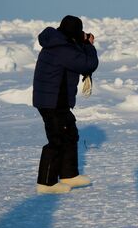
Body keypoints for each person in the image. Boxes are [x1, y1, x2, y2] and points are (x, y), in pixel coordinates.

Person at [32, 15, 99, 194]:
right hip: (52, 102)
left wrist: (82, 42)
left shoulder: (59, 42)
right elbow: (87, 64)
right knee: (57, 139)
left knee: (70, 134)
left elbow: (75, 55)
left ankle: (69, 175)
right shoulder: (62, 48)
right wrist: (88, 45)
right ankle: (46, 183)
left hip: (55, 100)